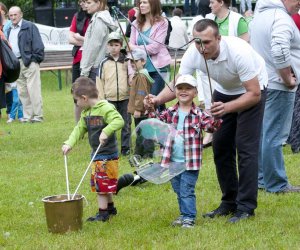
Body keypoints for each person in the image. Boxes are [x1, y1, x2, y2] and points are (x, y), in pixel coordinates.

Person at [145, 19, 268, 223]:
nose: (202, 48)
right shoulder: (195, 52)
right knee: (220, 146)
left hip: (252, 91)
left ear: (218, 38)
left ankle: (246, 207)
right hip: (223, 91)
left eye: (207, 42)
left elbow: (254, 94)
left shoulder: (239, 52)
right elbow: (178, 82)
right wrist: (157, 99)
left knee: (245, 146)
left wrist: (227, 107)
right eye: (197, 42)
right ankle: (229, 202)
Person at [149, 74, 221, 228]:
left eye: (188, 88)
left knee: (186, 189)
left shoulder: (199, 114)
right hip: (172, 161)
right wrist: (151, 107)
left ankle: (189, 217)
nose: (184, 91)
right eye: (180, 88)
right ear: (175, 91)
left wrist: (216, 116)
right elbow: (156, 122)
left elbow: (212, 127)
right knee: (178, 189)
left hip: (190, 162)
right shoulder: (170, 112)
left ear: (195, 92)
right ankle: (183, 214)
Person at [250, 0, 300, 193]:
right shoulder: (281, 18)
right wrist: (287, 78)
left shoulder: (259, 17)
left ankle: (263, 179)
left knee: (264, 133)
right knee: (275, 135)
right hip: (278, 85)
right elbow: (279, 49)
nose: (298, 4)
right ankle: (277, 184)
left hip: (264, 81)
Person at [62, 76, 124, 222]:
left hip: (107, 155)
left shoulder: (105, 108)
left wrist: (106, 131)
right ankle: (110, 208)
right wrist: (69, 143)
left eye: (75, 100)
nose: (76, 104)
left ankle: (103, 214)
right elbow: (79, 130)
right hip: (97, 154)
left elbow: (119, 120)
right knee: (105, 183)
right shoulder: (86, 113)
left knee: (100, 185)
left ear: (84, 98)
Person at [200, 0, 249, 147]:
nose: (209, 5)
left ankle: (234, 136)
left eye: (212, 2)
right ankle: (211, 133)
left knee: (235, 108)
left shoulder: (238, 20)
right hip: (213, 70)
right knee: (212, 102)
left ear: (221, 2)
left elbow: (245, 47)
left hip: (234, 74)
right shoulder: (208, 20)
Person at [128, 0, 171, 112]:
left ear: (153, 4)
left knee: (152, 101)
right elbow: (130, 49)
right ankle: (163, 125)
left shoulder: (163, 23)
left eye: (145, 2)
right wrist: (131, 73)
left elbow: (156, 48)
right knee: (148, 103)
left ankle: (159, 126)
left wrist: (135, 48)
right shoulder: (135, 24)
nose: (141, 5)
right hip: (141, 69)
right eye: (140, 3)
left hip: (159, 68)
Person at [7, 6, 44, 123]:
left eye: (15, 14)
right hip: (16, 64)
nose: (13, 17)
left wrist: (34, 60)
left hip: (29, 62)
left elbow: (38, 45)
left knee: (34, 90)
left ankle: (38, 116)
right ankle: (28, 117)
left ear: (21, 14)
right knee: (22, 92)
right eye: (11, 15)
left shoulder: (29, 26)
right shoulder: (9, 29)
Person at [97, 32, 131, 156]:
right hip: (109, 99)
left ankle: (126, 148)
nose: (113, 47)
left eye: (116, 45)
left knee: (126, 123)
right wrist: (102, 99)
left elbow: (131, 78)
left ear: (121, 45)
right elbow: (99, 82)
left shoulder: (127, 61)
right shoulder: (103, 63)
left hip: (125, 97)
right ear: (107, 46)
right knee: (110, 124)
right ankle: (111, 148)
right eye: (111, 45)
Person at [80, 0, 117, 81]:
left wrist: (84, 72)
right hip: (98, 66)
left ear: (99, 3)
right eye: (85, 3)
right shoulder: (102, 17)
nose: (86, 5)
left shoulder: (99, 19)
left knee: (93, 93)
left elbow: (93, 47)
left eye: (89, 3)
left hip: (95, 68)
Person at [127, 48, 155, 158]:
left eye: (135, 61)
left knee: (145, 132)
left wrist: (138, 109)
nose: (132, 63)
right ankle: (140, 152)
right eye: (131, 61)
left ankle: (147, 153)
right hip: (139, 110)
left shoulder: (142, 76)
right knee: (140, 131)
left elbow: (141, 93)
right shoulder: (138, 74)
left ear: (143, 61)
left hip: (142, 110)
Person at [69, 0, 91, 123]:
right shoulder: (77, 17)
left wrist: (80, 38)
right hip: (78, 59)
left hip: (92, 60)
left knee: (92, 94)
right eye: (80, 1)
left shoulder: (98, 17)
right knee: (77, 94)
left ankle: (93, 125)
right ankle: (78, 126)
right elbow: (70, 39)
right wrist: (87, 41)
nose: (82, 4)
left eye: (85, 1)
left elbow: (96, 42)